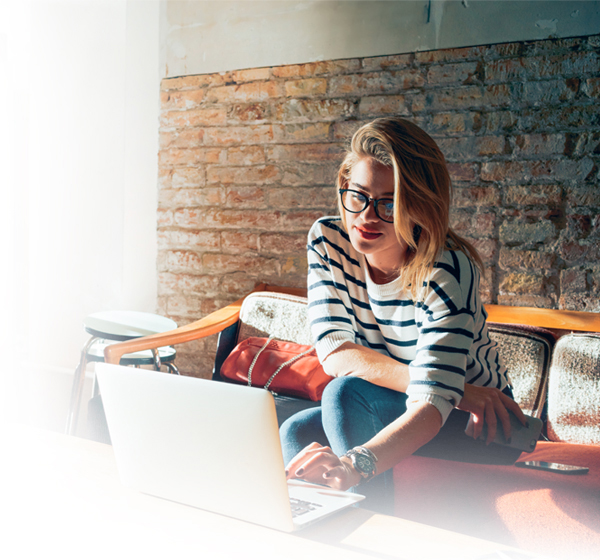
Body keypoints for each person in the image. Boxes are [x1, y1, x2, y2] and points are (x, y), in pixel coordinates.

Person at [280, 117, 527, 514]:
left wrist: (352, 466)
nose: (367, 216)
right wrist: (454, 388)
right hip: (428, 396)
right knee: (296, 430)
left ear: (418, 206)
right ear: (344, 188)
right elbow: (335, 353)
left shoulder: (447, 269)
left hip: (485, 423)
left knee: (344, 394)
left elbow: (431, 404)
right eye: (358, 196)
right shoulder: (329, 242)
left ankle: (377, 540)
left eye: (390, 202)